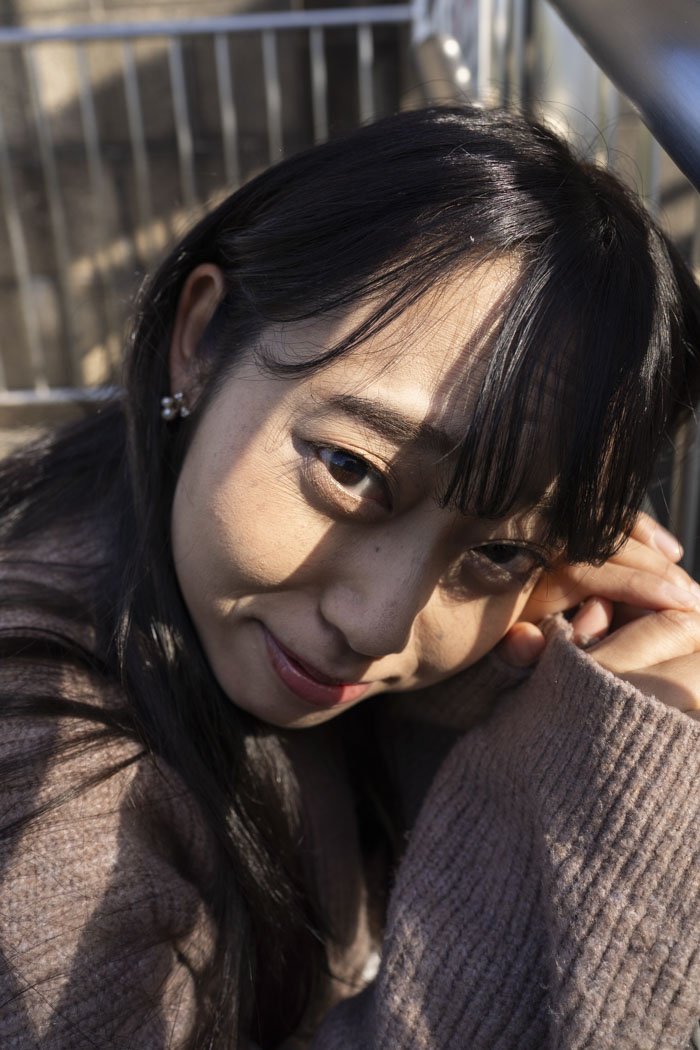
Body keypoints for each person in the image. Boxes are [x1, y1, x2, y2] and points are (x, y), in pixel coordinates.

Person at [1, 104, 700, 1050]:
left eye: (500, 552)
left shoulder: (123, 522)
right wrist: (583, 862)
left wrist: (503, 696)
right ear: (199, 338)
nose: (380, 624)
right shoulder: (52, 801)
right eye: (353, 470)